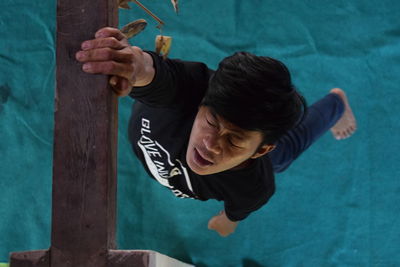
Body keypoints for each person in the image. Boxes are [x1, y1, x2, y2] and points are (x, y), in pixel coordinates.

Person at [75, 27, 357, 237]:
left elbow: (241, 206)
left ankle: (336, 103)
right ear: (201, 104)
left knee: (289, 148)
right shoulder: (193, 90)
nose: (210, 145)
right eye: (211, 123)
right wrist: (136, 67)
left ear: (260, 149)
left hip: (264, 157)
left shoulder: (254, 184)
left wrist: (229, 219)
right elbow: (156, 74)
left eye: (233, 140)